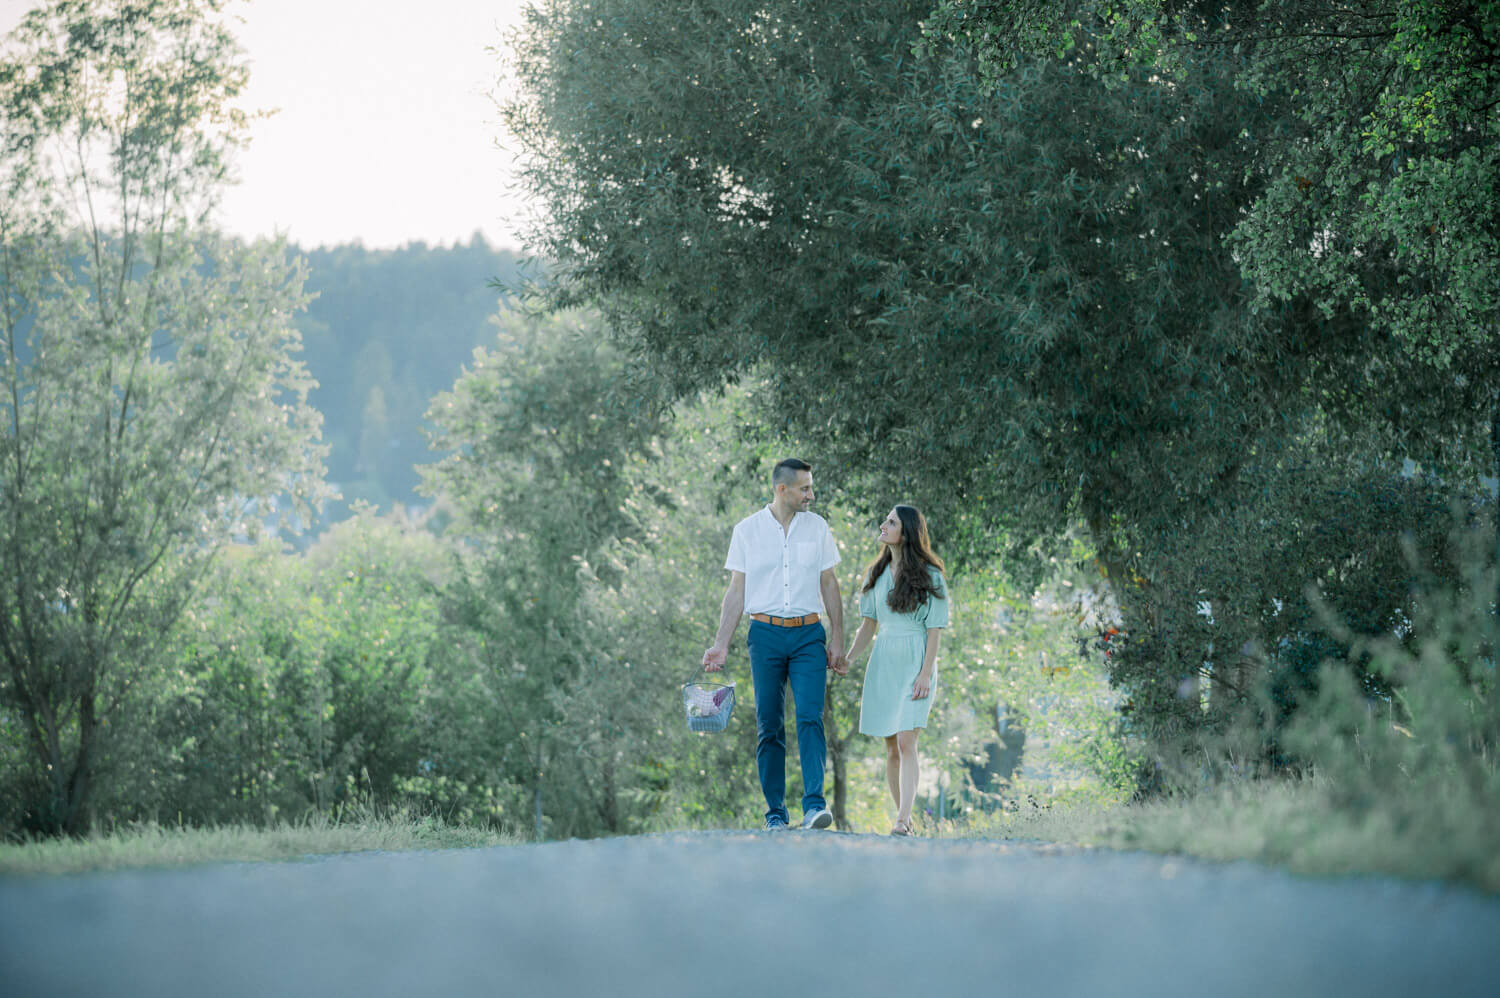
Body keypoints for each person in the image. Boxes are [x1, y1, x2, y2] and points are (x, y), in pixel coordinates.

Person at [703, 458, 846, 831]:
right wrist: (721, 643)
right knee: (769, 724)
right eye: (804, 488)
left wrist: (838, 640)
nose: (811, 495)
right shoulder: (747, 531)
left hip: (808, 635)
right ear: (782, 489)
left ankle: (814, 806)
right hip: (764, 635)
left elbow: (829, 583)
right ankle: (775, 814)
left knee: (810, 717)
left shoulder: (817, 528)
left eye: (811, 487)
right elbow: (737, 589)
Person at [844, 504, 948, 836]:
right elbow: (868, 626)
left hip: (916, 659)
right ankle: (905, 815)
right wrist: (847, 658)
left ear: (907, 533)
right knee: (891, 745)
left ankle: (902, 821)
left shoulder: (931, 575)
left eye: (891, 522)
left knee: (907, 741)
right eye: (885, 520)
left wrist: (925, 673)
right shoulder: (875, 574)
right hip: (884, 660)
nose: (883, 525)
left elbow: (935, 629)